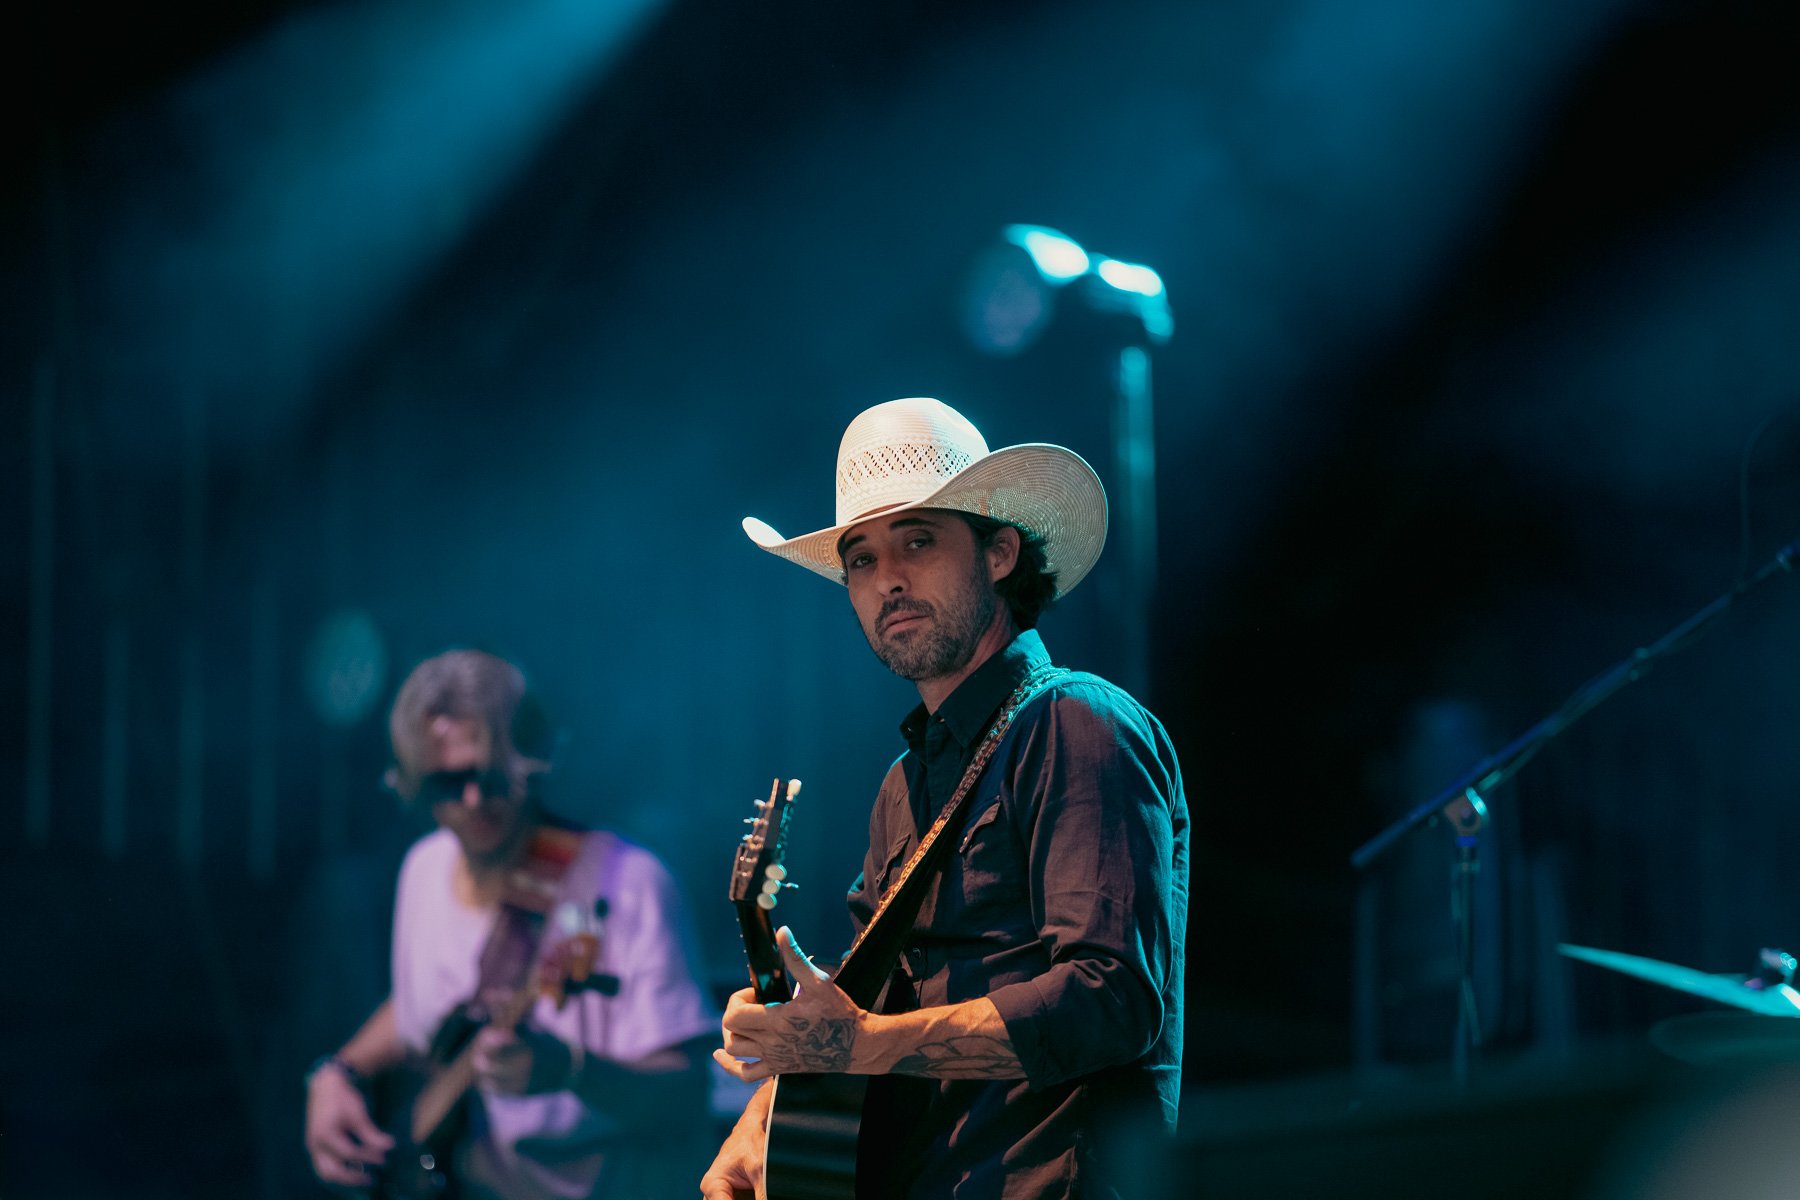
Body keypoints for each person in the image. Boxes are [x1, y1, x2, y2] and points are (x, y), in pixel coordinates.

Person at [703, 397, 1189, 1199]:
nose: (886, 578)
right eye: (860, 559)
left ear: (999, 553)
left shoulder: (1077, 724)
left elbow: (1109, 1000)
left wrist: (858, 1046)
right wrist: (762, 1113)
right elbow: (861, 1013)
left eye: (918, 541)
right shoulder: (903, 786)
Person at [303, 649, 717, 1200]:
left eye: (491, 776)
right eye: (447, 785)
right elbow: (418, 1003)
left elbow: (688, 1097)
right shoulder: (423, 869)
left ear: (534, 759)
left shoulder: (629, 884)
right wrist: (338, 1073)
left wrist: (570, 1070)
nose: (473, 802)